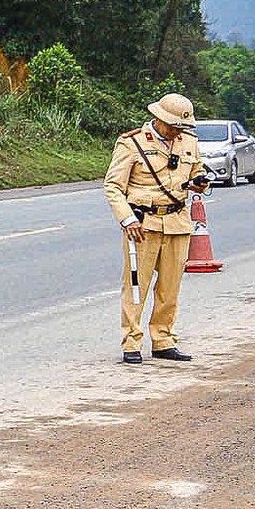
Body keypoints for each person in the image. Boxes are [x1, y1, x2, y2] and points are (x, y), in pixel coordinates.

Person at [103, 91, 209, 364]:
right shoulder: (132, 143)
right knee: (136, 286)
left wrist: (199, 182)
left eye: (181, 126)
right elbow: (113, 186)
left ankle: (163, 340)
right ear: (159, 118)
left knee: (169, 288)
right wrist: (127, 218)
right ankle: (131, 342)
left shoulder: (189, 142)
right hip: (143, 226)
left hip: (177, 223)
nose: (177, 131)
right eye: (173, 125)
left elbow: (197, 171)